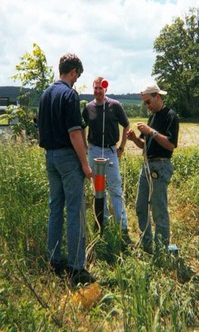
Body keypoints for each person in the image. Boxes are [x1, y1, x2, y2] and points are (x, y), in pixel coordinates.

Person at [38, 53, 95, 285]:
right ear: (72, 72)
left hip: (50, 157)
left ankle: (54, 260)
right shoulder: (69, 94)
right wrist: (84, 163)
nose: (76, 80)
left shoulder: (45, 94)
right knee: (75, 211)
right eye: (77, 76)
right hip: (67, 158)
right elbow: (74, 132)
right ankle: (75, 267)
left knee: (55, 208)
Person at [127, 84, 179, 254]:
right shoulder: (152, 117)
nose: (147, 106)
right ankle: (147, 245)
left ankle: (162, 250)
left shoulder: (170, 116)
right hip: (147, 165)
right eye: (145, 104)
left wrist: (152, 132)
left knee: (159, 209)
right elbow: (145, 145)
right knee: (141, 206)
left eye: (148, 102)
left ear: (157, 96)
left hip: (161, 166)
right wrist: (135, 138)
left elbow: (171, 145)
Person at [82, 77, 131, 244]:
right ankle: (102, 225)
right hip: (94, 150)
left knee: (115, 189)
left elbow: (126, 125)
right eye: (95, 88)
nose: (98, 91)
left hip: (111, 151)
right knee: (98, 189)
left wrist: (121, 148)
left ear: (106, 90)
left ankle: (122, 229)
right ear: (93, 89)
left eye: (101, 88)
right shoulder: (88, 108)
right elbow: (82, 127)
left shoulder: (115, 106)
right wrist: (85, 147)